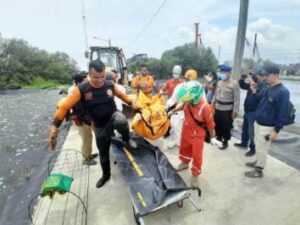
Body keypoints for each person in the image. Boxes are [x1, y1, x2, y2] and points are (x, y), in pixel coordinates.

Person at [48, 60, 138, 188]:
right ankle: (106, 175)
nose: (100, 80)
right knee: (103, 152)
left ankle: (127, 139)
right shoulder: (81, 90)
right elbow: (64, 107)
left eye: (102, 77)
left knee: (122, 121)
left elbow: (123, 96)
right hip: (98, 124)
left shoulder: (109, 84)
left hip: (113, 115)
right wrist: (54, 126)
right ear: (89, 74)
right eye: (96, 77)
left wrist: (132, 103)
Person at [168, 80, 216, 187]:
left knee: (197, 155)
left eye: (187, 99)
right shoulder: (189, 102)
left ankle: (195, 175)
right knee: (184, 149)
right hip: (186, 130)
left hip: (197, 135)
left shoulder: (206, 108)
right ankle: (184, 163)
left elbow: (210, 125)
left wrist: (213, 137)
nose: (186, 101)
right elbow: (183, 106)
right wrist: (173, 111)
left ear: (195, 96)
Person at [245, 65, 290, 178]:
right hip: (259, 122)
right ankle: (257, 162)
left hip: (268, 126)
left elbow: (282, 113)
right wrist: (255, 90)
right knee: (257, 144)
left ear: (275, 75)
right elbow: (260, 98)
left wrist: (276, 130)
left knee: (262, 148)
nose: (264, 78)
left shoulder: (283, 92)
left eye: (267, 75)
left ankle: (259, 170)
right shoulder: (267, 88)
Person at [234, 72, 267, 157]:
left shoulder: (262, 87)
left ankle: (253, 148)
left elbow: (259, 98)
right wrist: (242, 78)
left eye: (252, 77)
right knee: (245, 128)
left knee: (251, 131)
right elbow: (242, 85)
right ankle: (244, 143)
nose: (250, 79)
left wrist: (254, 90)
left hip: (254, 112)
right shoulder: (252, 85)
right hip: (247, 110)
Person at [69, 72, 98, 165]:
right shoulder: (76, 93)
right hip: (81, 119)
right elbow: (80, 111)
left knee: (89, 137)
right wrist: (90, 122)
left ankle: (88, 154)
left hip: (85, 118)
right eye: (85, 81)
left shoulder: (83, 90)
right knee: (86, 138)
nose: (87, 82)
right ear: (78, 83)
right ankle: (86, 160)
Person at [166, 69, 198, 149]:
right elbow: (174, 98)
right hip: (179, 109)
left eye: (190, 79)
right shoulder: (180, 86)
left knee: (187, 128)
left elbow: (201, 100)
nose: (187, 81)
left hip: (191, 111)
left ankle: (182, 142)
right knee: (174, 126)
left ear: (194, 79)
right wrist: (167, 107)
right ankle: (173, 141)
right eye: (186, 79)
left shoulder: (198, 88)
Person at [212, 65, 240, 150]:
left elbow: (237, 98)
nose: (222, 74)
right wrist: (212, 103)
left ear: (229, 73)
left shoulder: (234, 83)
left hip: (227, 109)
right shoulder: (219, 82)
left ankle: (226, 141)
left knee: (226, 126)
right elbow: (215, 94)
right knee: (218, 124)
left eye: (223, 72)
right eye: (221, 72)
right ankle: (219, 138)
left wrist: (235, 111)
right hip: (218, 107)